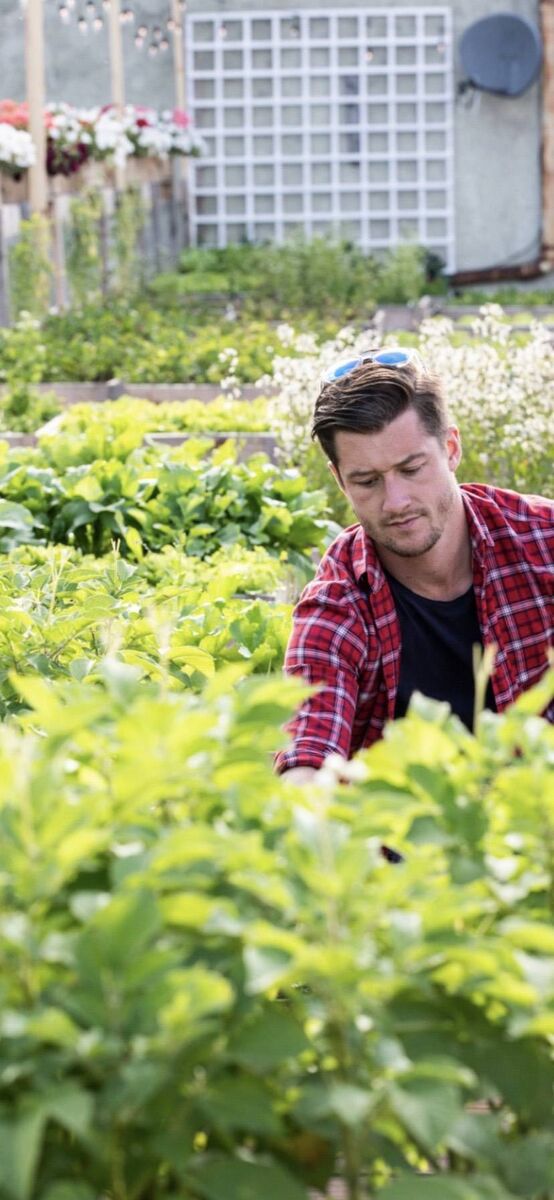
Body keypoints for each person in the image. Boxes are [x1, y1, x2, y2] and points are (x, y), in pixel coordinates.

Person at [274, 347, 553, 784]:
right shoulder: (340, 600)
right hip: (408, 844)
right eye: (367, 481)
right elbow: (309, 746)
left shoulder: (543, 542)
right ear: (338, 480)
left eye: (412, 468)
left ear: (451, 448)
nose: (396, 502)